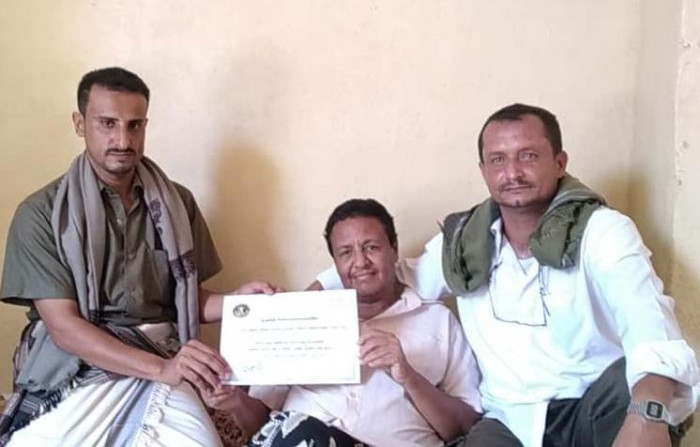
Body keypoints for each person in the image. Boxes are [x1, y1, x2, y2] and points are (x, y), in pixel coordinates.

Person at [314, 104, 700, 447]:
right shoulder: (464, 243)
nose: (512, 172)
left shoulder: (602, 230)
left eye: (528, 156)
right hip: (510, 420)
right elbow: (384, 273)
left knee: (632, 382)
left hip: (593, 406)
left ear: (560, 162)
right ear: (483, 171)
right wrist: (294, 304)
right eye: (497, 160)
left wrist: (647, 417)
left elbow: (649, 324)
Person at [0, 67, 278, 446]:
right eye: (108, 124)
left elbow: (185, 301)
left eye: (134, 126)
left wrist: (239, 304)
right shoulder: (41, 212)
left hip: (161, 349)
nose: (123, 140)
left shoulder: (177, 203)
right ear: (80, 124)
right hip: (77, 365)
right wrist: (162, 368)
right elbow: (64, 328)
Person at [204, 198, 481, 447]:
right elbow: (262, 428)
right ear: (335, 263)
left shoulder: (438, 321)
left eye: (371, 247)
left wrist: (408, 376)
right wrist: (235, 402)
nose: (360, 262)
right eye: (346, 253)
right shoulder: (303, 316)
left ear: (394, 249)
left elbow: (463, 427)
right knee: (299, 431)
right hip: (300, 438)